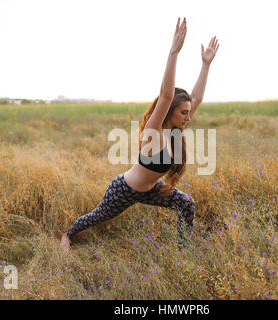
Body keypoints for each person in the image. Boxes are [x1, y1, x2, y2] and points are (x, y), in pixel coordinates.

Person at [60, 17, 219, 252]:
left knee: (187, 204)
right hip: (124, 189)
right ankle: (67, 235)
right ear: (170, 112)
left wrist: (206, 65)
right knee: (97, 216)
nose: (189, 116)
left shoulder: (174, 130)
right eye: (184, 112)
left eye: (189, 113)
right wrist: (173, 53)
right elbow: (165, 96)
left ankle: (184, 252)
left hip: (150, 190)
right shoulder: (152, 132)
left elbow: (196, 99)